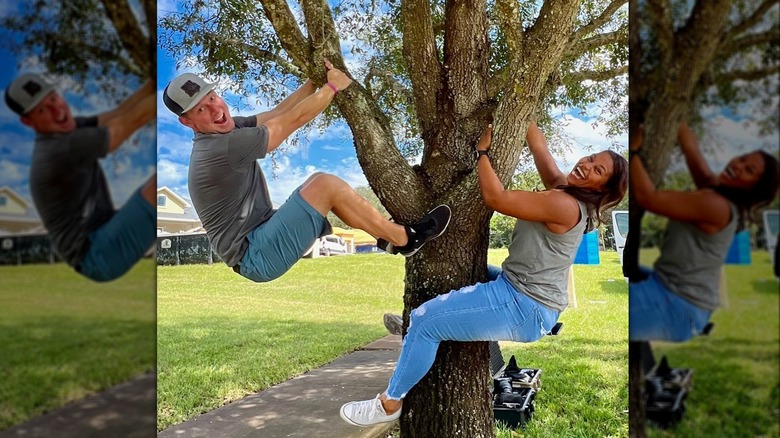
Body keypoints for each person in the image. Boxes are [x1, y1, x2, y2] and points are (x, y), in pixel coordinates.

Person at [340, 121, 629, 426]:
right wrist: (518, 109)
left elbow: (497, 199)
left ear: (602, 189)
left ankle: (390, 402)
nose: (587, 165)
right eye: (591, 158)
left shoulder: (565, 204)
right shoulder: (564, 189)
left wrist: (482, 152)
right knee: (465, 269)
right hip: (521, 291)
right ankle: (413, 317)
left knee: (426, 322)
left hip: (524, 305)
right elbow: (540, 148)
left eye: (598, 171)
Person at [163, 60, 450, 282]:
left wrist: (313, 81)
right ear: (187, 123)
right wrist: (333, 87)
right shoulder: (218, 148)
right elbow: (288, 122)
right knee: (324, 185)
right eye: (200, 110)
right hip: (255, 255)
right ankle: (405, 239)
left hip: (262, 235)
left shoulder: (228, 128)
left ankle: (386, 239)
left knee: (318, 185)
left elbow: (278, 112)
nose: (215, 110)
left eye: (212, 98)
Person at [629, 122, 779, 342]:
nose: (738, 165)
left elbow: (648, 198)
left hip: (676, 304)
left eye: (749, 170)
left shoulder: (716, 205)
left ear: (753, 188)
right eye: (743, 158)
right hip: (672, 293)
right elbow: (691, 151)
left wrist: (632, 151)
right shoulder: (716, 190)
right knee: (629, 269)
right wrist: (676, 112)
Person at [4, 73, 156, 282]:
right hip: (95, 254)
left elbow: (118, 114)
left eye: (53, 99)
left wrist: (153, 81)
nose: (57, 111)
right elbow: (133, 120)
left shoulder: (66, 129)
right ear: (28, 121)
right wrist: (168, 90)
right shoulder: (59, 149)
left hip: (103, 232)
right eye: (42, 110)